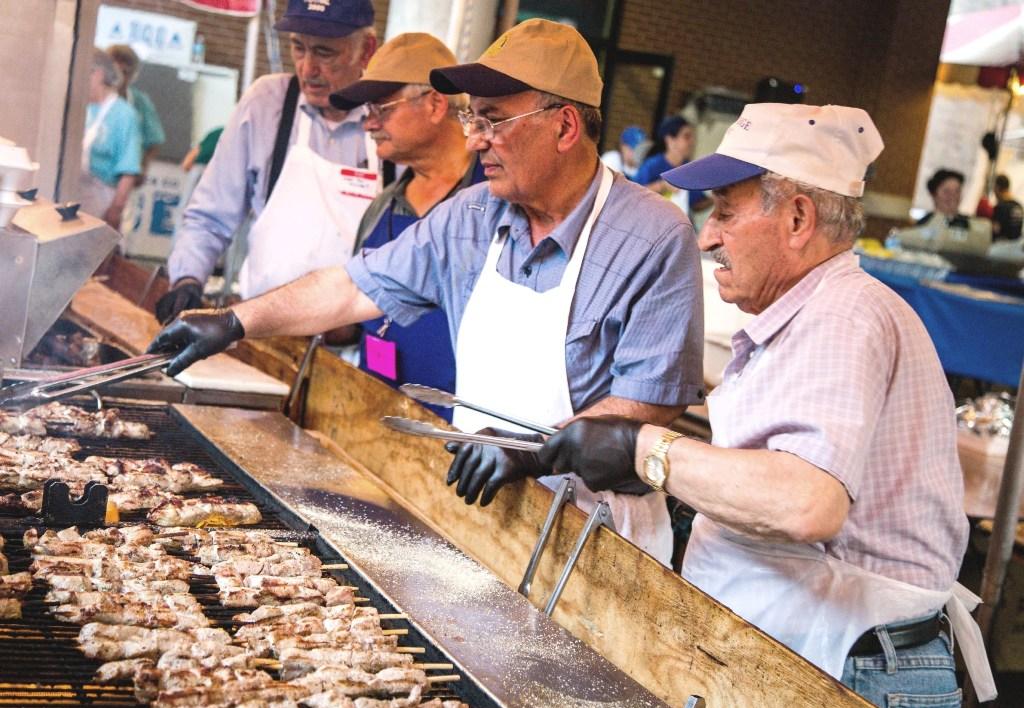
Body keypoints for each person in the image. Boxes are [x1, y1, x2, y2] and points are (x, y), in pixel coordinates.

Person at [147, 19, 705, 566]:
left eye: (493, 120)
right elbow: (349, 289)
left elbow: (650, 399)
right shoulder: (472, 214)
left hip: (599, 539)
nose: (474, 138)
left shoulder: (653, 237)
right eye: (472, 116)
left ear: (563, 127)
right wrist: (233, 322)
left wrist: (529, 448)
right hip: (483, 509)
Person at [536, 103, 996, 707]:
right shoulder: (805, 315)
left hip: (853, 666)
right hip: (804, 647)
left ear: (799, 217)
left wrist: (642, 447)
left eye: (725, 211)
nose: (707, 236)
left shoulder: (845, 317)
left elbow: (808, 502)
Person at [155, 0, 379, 325]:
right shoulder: (266, 104)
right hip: (261, 331)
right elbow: (210, 217)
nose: (307, 68)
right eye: (298, 48)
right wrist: (188, 279)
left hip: (352, 344)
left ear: (366, 49)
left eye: (324, 52)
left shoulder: (387, 120)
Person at [330, 32, 485, 421]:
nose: (369, 124)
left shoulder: (497, 201)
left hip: (463, 442)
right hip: (375, 421)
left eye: (381, 109)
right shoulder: (383, 207)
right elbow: (356, 311)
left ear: (435, 104)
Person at [81, 48, 142, 230]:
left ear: (98, 74)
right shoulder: (82, 107)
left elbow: (129, 170)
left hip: (103, 198)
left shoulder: (124, 115)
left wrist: (115, 210)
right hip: (75, 193)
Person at [107, 44, 166, 178]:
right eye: (115, 71)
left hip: (124, 173)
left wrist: (143, 167)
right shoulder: (94, 97)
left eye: (125, 72)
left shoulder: (140, 102)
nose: (119, 78)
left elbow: (155, 140)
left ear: (133, 75)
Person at [633, 115, 710, 216]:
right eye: (687, 137)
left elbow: (696, 204)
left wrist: (717, 197)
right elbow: (634, 195)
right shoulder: (652, 165)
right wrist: (662, 186)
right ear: (670, 140)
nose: (692, 142)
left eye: (693, 137)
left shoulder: (689, 169)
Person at [992, 173, 1023, 242]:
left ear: (997, 187)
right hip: (1015, 247)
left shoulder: (1000, 207)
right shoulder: (1018, 206)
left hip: (1001, 248)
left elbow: (995, 229)